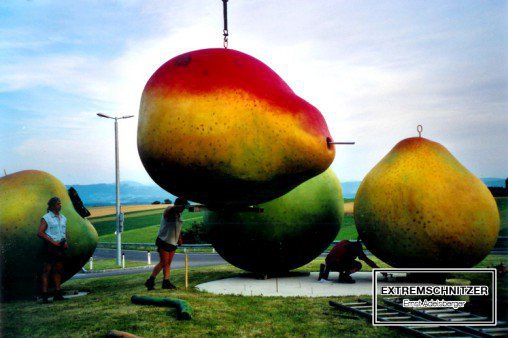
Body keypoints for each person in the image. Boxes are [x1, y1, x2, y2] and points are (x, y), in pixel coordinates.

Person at [145, 197, 188, 290]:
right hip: (163, 240)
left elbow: (177, 227)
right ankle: (151, 281)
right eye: (183, 207)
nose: (184, 209)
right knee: (164, 262)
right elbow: (169, 209)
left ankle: (165, 282)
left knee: (168, 263)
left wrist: (179, 238)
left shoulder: (179, 214)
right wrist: (176, 206)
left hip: (173, 241)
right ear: (178, 206)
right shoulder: (169, 211)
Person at [37, 197, 68, 303]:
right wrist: (52, 242)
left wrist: (65, 242)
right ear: (52, 206)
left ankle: (57, 294)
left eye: (60, 203)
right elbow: (40, 233)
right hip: (50, 247)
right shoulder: (46, 218)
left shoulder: (63, 218)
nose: (60, 205)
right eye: (58, 204)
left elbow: (64, 231)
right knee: (47, 270)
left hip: (60, 247)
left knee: (58, 270)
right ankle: (45, 295)